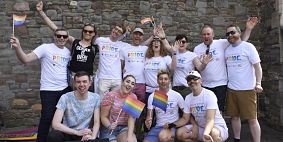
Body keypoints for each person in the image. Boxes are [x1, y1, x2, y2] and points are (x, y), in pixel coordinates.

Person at [10, 29, 72, 142]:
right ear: (54, 37)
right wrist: (18, 47)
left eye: (64, 36)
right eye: (59, 36)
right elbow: (26, 59)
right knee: (47, 118)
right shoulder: (45, 48)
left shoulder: (67, 52)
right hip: (48, 90)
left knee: (62, 120)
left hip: (64, 90)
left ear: (67, 38)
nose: (62, 38)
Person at [193, 17, 258, 113]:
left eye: (208, 34)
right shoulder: (197, 49)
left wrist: (248, 29)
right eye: (204, 34)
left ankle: (219, 128)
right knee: (206, 111)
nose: (206, 36)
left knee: (219, 112)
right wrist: (204, 64)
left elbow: (239, 41)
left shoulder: (221, 43)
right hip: (205, 85)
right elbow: (198, 68)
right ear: (201, 36)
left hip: (220, 84)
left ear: (213, 35)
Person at [36, 1, 98, 91]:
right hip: (73, 77)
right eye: (85, 31)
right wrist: (41, 12)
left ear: (94, 34)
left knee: (86, 102)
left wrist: (124, 35)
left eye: (90, 31)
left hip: (87, 79)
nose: (87, 33)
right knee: (72, 101)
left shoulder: (95, 47)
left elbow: (113, 43)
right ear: (82, 31)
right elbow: (55, 29)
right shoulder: (75, 42)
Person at [225, 25, 263, 142]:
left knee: (252, 119)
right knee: (234, 117)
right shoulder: (227, 50)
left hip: (247, 90)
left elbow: (257, 67)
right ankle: (237, 139)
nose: (230, 35)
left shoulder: (248, 47)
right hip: (232, 89)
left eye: (232, 32)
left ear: (239, 32)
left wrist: (258, 83)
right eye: (228, 34)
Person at [47, 71, 100, 142]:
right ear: (74, 84)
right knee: (53, 136)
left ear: (90, 83)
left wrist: (93, 137)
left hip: (84, 133)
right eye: (78, 82)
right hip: (67, 132)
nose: (81, 84)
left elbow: (97, 122)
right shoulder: (65, 97)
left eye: (84, 81)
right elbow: (55, 124)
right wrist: (77, 133)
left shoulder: (96, 98)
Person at [176, 71, 228, 142]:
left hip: (217, 127)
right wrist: (170, 125)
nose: (192, 81)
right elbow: (185, 118)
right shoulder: (188, 98)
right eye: (189, 80)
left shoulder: (209, 94)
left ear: (201, 80)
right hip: (201, 127)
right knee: (180, 133)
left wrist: (205, 134)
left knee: (213, 133)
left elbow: (210, 120)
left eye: (195, 78)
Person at [120, 27, 148, 139]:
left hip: (141, 83)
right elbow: (120, 66)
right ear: (132, 35)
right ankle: (125, 131)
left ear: (142, 37)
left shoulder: (145, 48)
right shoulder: (125, 48)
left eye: (140, 35)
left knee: (139, 111)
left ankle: (138, 132)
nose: (137, 36)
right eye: (135, 34)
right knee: (125, 108)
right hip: (128, 83)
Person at [144, 69, 185, 142]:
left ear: (169, 81)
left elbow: (186, 114)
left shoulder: (176, 95)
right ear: (157, 81)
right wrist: (148, 121)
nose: (163, 81)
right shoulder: (152, 96)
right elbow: (149, 116)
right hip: (158, 127)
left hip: (172, 127)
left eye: (165, 79)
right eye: (161, 79)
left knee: (163, 137)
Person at [100, 75, 137, 142]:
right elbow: (103, 117)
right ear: (122, 82)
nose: (129, 84)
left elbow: (131, 118)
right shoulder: (110, 96)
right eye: (127, 82)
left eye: (132, 84)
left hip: (125, 128)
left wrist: (129, 137)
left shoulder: (133, 97)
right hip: (110, 129)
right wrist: (109, 126)